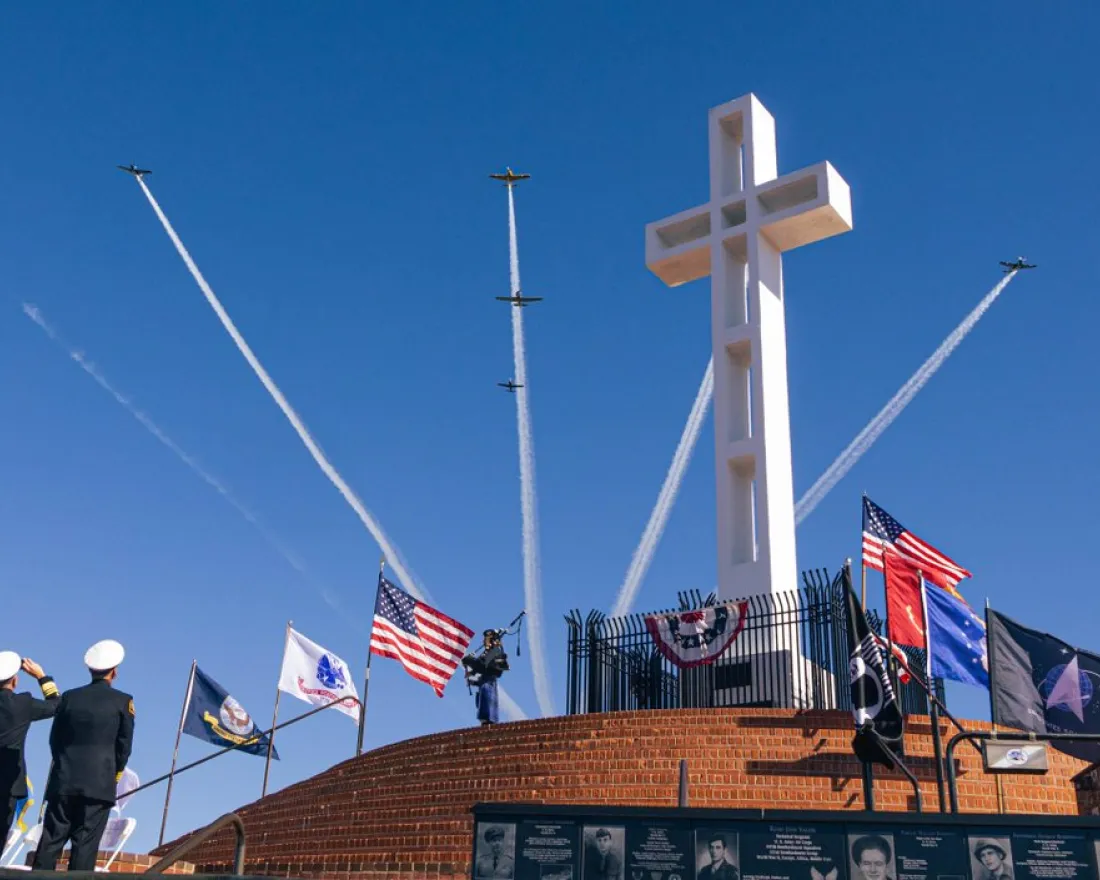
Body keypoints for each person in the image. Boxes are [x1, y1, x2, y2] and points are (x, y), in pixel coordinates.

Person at [32, 640, 134, 872]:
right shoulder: (123, 701)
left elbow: (55, 740)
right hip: (99, 785)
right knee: (85, 846)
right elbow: (124, 747)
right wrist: (114, 776)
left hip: (63, 781)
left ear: (90, 669)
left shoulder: (69, 697)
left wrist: (63, 766)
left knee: (50, 841)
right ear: (114, 671)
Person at [0, 652, 59, 844]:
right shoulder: (22, 703)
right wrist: (42, 677)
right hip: (7, 782)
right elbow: (56, 705)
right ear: (15, 681)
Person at [464, 630, 509, 726]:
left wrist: (470, 662)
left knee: (487, 708)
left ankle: (488, 721)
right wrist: (472, 679)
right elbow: (481, 668)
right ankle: (486, 721)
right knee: (483, 706)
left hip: (488, 684)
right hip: (485, 683)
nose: (483, 641)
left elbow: (483, 666)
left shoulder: (495, 651)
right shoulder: (488, 652)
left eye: (486, 639)